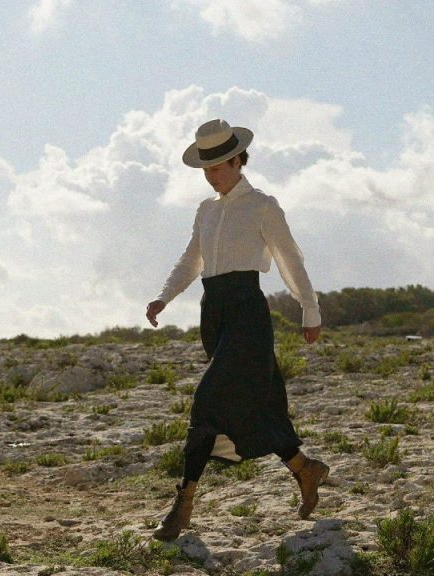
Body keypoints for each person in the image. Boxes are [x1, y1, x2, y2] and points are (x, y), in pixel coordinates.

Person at [145, 119, 329, 541]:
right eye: (206, 169)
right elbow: (192, 259)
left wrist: (310, 310)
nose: (212, 175)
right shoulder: (206, 210)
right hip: (214, 314)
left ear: (237, 159)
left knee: (206, 401)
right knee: (253, 405)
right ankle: (305, 468)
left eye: (218, 167)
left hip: (247, 312)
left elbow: (289, 260)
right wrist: (164, 297)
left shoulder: (263, 205)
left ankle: (183, 504)